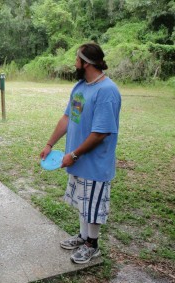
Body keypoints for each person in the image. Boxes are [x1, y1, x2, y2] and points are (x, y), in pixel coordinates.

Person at [40, 42, 121, 264]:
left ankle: (92, 245)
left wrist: (74, 154)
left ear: (86, 63)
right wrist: (49, 144)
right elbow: (68, 118)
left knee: (93, 206)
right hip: (76, 160)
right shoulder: (80, 87)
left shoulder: (107, 91)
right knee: (83, 202)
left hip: (94, 163)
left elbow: (100, 133)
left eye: (77, 59)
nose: (74, 63)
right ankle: (84, 237)